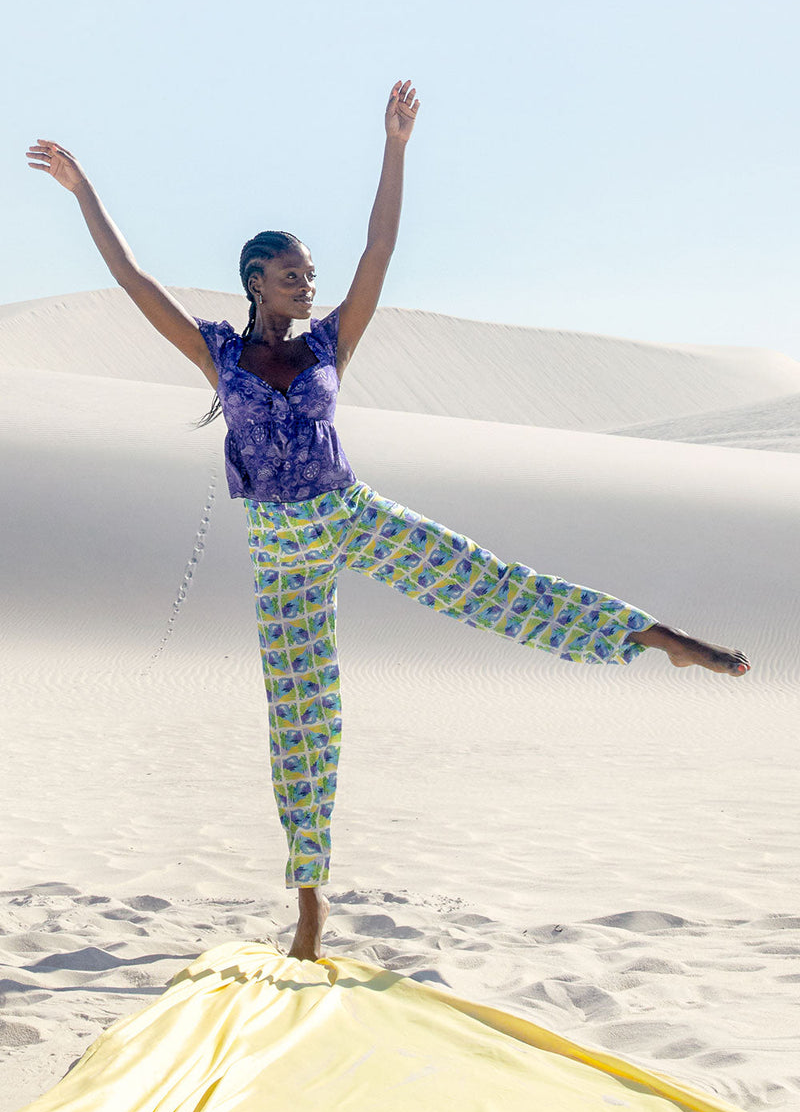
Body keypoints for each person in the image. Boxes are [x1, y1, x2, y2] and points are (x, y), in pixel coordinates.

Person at [27, 79, 751, 962]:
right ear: (255, 280)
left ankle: (648, 635)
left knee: (488, 582)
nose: (307, 282)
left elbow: (377, 250)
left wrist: (395, 147)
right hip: (278, 549)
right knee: (302, 713)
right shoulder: (219, 352)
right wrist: (84, 192)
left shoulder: (332, 341)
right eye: (290, 273)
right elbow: (132, 278)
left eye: (308, 274)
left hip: (351, 512)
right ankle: (309, 902)